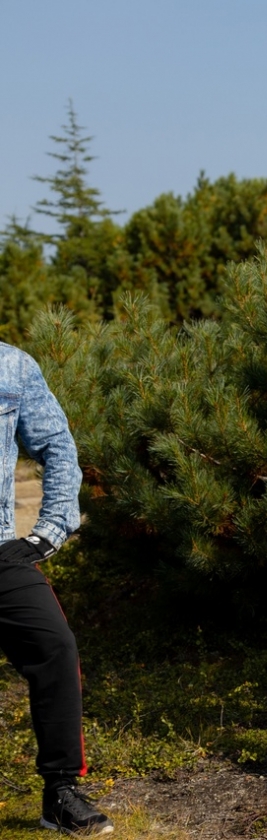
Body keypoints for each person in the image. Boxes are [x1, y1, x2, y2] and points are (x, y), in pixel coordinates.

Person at [0, 343, 114, 835]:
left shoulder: (12, 365)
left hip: (0, 550)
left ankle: (60, 793)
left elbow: (58, 444)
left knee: (54, 645)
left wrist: (50, 530)